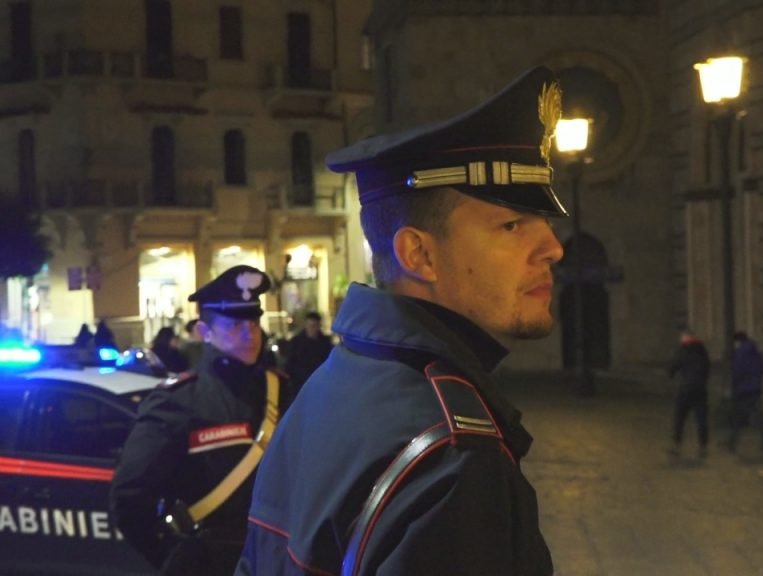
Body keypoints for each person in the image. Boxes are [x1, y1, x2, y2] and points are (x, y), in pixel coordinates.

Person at [237, 66, 565, 576]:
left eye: (544, 223)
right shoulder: (452, 454)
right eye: (511, 225)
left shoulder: (333, 383)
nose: (552, 248)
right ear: (419, 254)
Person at [111, 265, 294, 575]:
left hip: (275, 560)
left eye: (253, 323)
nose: (249, 334)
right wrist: (175, 557)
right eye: (234, 325)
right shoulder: (178, 401)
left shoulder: (282, 391)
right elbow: (130, 497)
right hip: (210, 562)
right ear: (204, 332)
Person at [666, 329, 711, 458]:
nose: (680, 339)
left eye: (682, 337)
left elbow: (674, 366)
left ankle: (676, 445)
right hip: (700, 389)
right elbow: (707, 367)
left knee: (679, 418)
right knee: (701, 419)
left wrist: (670, 374)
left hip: (686, 388)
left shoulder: (683, 350)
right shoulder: (702, 350)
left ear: (686, 338)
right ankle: (703, 446)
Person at [728, 331, 763, 454]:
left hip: (743, 389)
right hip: (756, 389)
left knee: (738, 417)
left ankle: (732, 442)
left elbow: (738, 371)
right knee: (759, 417)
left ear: (738, 341)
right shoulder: (755, 352)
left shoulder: (739, 353)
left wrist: (734, 386)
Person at [283, 311, 333, 393]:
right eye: (310, 326)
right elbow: (290, 363)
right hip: (300, 383)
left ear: (319, 326)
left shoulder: (325, 343)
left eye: (314, 326)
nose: (312, 329)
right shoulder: (296, 342)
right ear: (305, 325)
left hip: (319, 382)